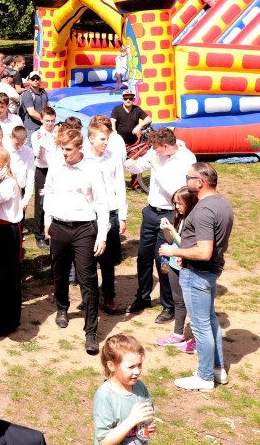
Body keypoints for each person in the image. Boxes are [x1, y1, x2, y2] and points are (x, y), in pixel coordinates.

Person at [160, 162, 234, 391]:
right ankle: (217, 369)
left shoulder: (203, 210)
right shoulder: (222, 203)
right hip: (211, 272)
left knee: (201, 326)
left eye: (188, 177)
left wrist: (174, 251)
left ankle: (204, 377)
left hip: (197, 274)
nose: (186, 181)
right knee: (210, 321)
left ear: (200, 182)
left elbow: (204, 251)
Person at [44, 128, 108, 354]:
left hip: (84, 229)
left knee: (87, 278)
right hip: (59, 226)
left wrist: (102, 235)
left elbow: (102, 203)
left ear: (80, 148)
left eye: (68, 149)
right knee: (59, 271)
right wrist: (47, 218)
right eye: (62, 148)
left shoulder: (92, 168)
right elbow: (49, 190)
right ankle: (62, 307)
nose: (64, 153)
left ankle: (91, 330)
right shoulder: (56, 163)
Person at [124, 128, 196, 318]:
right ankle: (143, 296)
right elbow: (140, 165)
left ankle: (168, 304)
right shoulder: (157, 152)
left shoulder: (187, 159)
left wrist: (157, 167)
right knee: (143, 256)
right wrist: (130, 164)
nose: (152, 150)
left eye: (155, 147)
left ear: (166, 146)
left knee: (163, 260)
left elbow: (176, 191)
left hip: (170, 214)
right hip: (151, 212)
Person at [86, 120, 128, 314]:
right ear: (91, 139)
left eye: (107, 139)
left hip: (110, 212)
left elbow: (120, 185)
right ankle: (90, 296)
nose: (106, 143)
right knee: (87, 258)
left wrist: (122, 215)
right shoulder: (83, 159)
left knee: (108, 259)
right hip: (87, 214)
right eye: (102, 139)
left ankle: (109, 296)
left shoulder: (113, 158)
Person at [155, 187, 197, 353]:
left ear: (189, 203)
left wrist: (172, 229)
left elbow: (186, 245)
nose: (177, 207)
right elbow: (172, 240)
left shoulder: (194, 221)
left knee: (193, 305)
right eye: (175, 204)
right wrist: (167, 230)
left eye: (179, 203)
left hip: (187, 266)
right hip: (173, 264)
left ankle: (196, 339)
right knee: (178, 301)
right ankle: (178, 334)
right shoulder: (181, 218)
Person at [0, 148, 23, 336]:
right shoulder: (2, 181)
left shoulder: (8, 184)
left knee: (5, 276)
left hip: (6, 231)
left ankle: (4, 321)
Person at [31, 106, 57, 248]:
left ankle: (52, 231)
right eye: (47, 121)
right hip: (42, 170)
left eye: (52, 121)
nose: (49, 124)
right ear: (41, 120)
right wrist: (42, 144)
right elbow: (37, 154)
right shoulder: (37, 135)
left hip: (55, 170)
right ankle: (39, 235)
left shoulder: (57, 133)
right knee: (41, 203)